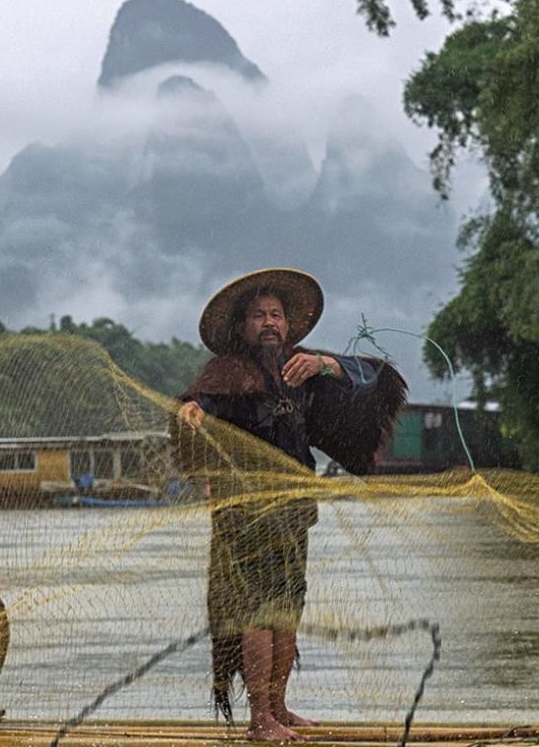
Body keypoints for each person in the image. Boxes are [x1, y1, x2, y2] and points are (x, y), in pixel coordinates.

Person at [175, 268, 407, 742]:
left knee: (288, 606)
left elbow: (374, 378)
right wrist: (192, 413)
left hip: (294, 508)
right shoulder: (226, 372)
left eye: (276, 315)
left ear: (289, 324)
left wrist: (327, 365)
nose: (268, 323)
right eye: (258, 315)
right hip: (244, 511)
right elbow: (199, 406)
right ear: (241, 327)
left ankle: (279, 707)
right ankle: (260, 719)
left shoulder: (303, 367)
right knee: (257, 610)